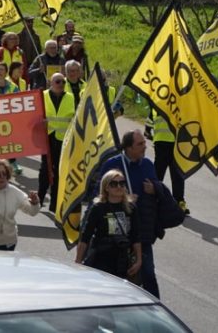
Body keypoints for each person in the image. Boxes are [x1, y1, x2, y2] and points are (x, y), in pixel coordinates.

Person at [99, 129, 176, 298]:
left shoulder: (147, 165)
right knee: (114, 276)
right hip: (116, 232)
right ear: (128, 148)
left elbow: (158, 188)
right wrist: (124, 200)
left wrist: (155, 188)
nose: (145, 147)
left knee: (148, 273)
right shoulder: (111, 165)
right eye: (140, 144)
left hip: (141, 231)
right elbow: (97, 196)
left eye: (144, 143)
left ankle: (155, 310)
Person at [76, 170, 142, 280]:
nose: (119, 187)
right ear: (106, 187)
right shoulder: (98, 208)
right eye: (114, 184)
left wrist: (138, 260)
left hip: (122, 261)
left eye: (122, 183)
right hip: (101, 259)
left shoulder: (131, 208)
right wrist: (78, 260)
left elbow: (136, 236)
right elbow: (85, 236)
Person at [0, 159, 40, 251]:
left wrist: (35, 202)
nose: (2, 177)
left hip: (8, 243)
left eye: (4, 173)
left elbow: (32, 212)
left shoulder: (14, 191)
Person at [37, 72, 75, 211]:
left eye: (63, 82)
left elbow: (74, 117)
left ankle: (55, 202)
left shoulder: (70, 97)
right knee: (45, 170)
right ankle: (39, 198)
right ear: (51, 83)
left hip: (63, 139)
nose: (61, 84)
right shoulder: (42, 95)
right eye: (58, 82)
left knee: (59, 171)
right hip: (47, 137)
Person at [149, 109, 188, 215]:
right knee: (161, 174)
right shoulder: (174, 100)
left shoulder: (160, 99)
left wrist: (148, 130)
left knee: (172, 174)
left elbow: (150, 120)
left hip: (170, 143)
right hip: (166, 143)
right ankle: (153, 200)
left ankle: (178, 202)